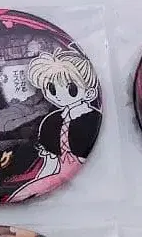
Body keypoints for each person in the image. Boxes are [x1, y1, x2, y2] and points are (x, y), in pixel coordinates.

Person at [8, 48, 101, 202]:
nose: (59, 95)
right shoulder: (51, 121)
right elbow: (50, 163)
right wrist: (40, 182)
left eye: (71, 89)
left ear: (89, 93)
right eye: (51, 89)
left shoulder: (92, 118)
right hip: (58, 176)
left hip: (90, 176)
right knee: (23, 191)